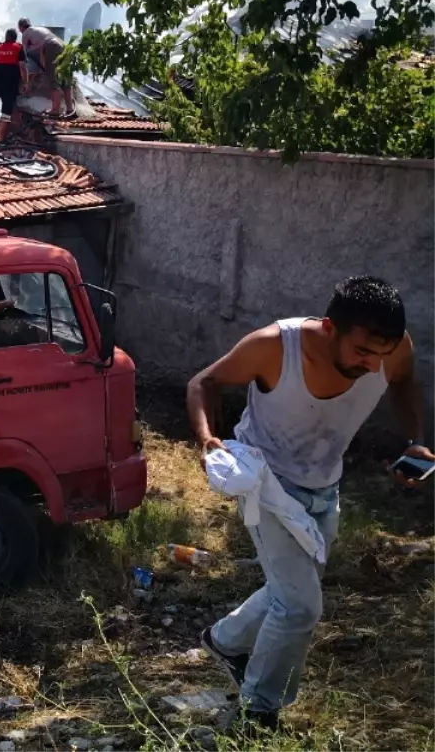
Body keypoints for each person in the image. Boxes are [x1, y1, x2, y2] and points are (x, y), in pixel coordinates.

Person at [186, 276, 431, 732]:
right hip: (267, 484)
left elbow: (403, 384)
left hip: (324, 485)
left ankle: (224, 640)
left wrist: (415, 442)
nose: (372, 363)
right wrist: (207, 441)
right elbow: (204, 383)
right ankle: (257, 711)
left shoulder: (392, 350)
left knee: (292, 589)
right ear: (328, 328)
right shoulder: (275, 348)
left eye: (381, 353)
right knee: (300, 607)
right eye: (362, 351)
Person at [17, 18, 75, 118]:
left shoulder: (26, 33)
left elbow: (24, 54)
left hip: (52, 46)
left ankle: (55, 110)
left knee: (53, 78)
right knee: (66, 79)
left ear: (21, 28)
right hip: (64, 46)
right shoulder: (39, 30)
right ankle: (70, 109)